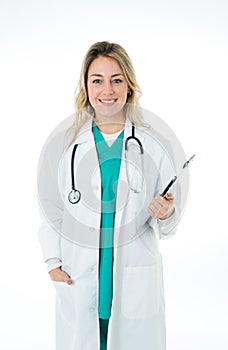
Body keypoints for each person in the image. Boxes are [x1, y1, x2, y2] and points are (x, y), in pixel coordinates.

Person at [38, 41, 181, 350]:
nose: (108, 90)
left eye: (117, 79)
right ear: (86, 86)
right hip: (80, 276)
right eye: (97, 80)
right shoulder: (66, 145)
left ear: (129, 85)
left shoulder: (153, 145)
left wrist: (166, 212)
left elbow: (169, 224)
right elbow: (51, 208)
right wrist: (52, 262)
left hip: (133, 277)